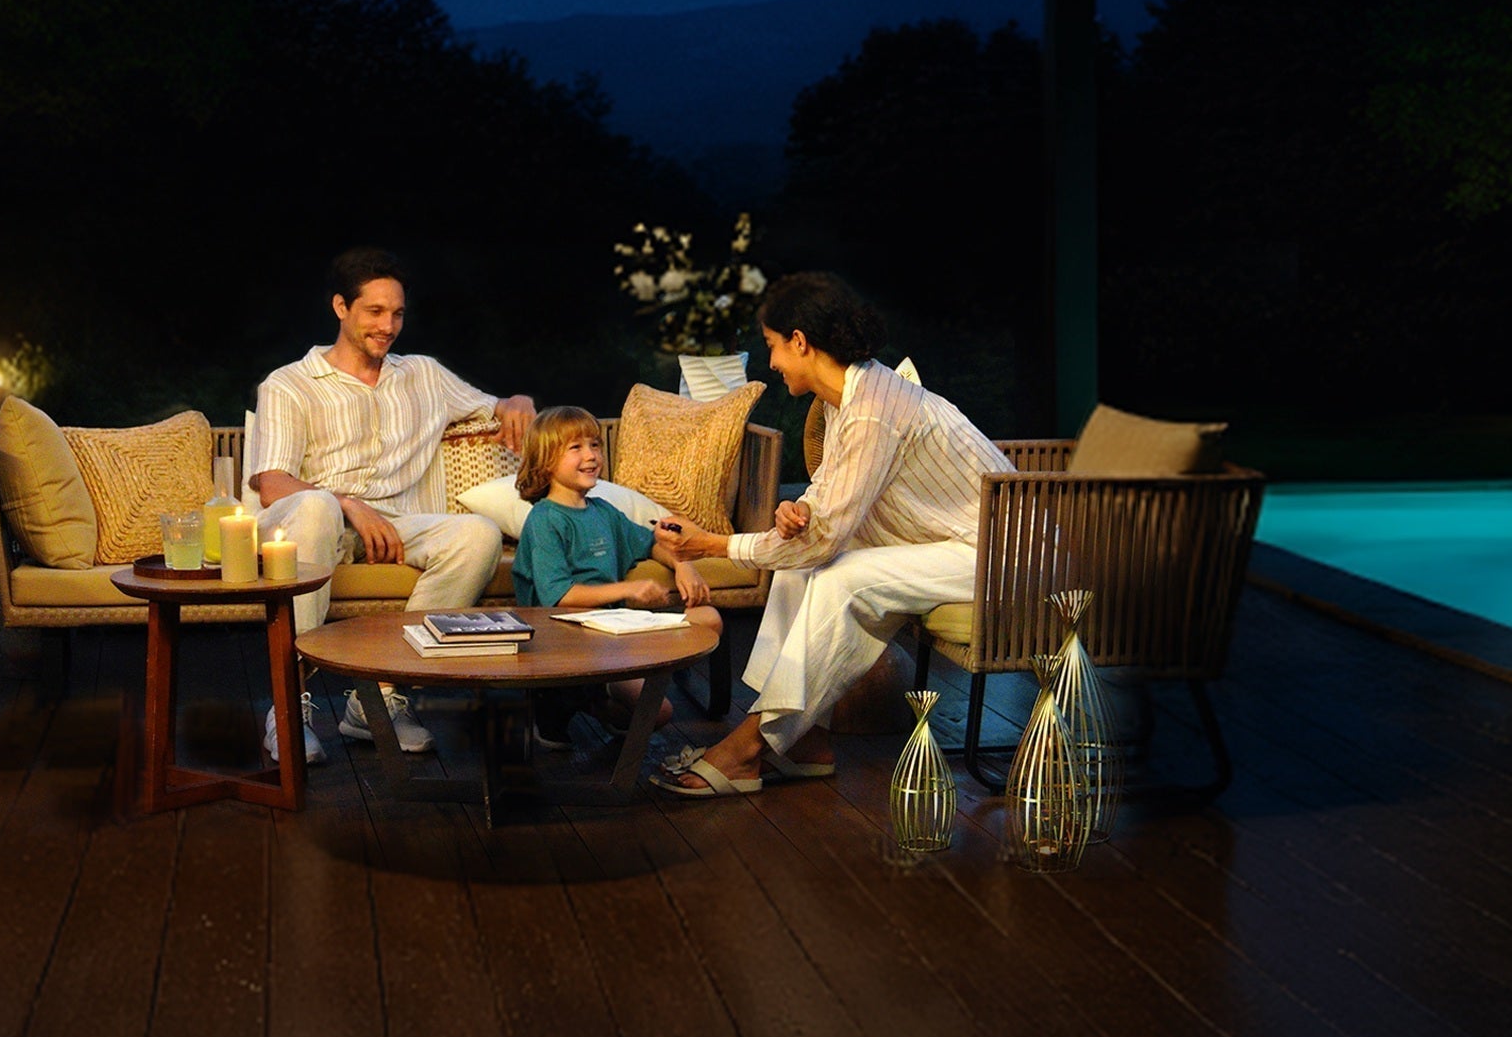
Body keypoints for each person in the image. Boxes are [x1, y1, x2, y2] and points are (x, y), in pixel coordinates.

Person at [646, 270, 1001, 796]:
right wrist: (798, 509)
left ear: (800, 341)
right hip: (946, 546)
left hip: (1003, 556)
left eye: (772, 347)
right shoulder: (851, 398)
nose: (770, 363)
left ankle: (749, 748)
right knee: (805, 562)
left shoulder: (875, 410)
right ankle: (805, 740)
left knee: (843, 576)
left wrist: (716, 545)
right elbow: (828, 501)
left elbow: (830, 537)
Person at [246, 246, 532, 759]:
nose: (389, 325)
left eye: (397, 313)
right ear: (341, 308)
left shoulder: (422, 374)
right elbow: (271, 484)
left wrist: (520, 403)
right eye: (374, 311)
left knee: (478, 534)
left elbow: (495, 404)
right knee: (317, 508)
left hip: (399, 525)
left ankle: (379, 695)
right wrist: (349, 504)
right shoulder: (290, 384)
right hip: (314, 526)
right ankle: (287, 704)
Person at [510, 405, 716, 742]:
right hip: (565, 637)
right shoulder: (545, 519)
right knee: (659, 713)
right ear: (546, 461)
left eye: (594, 445)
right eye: (575, 448)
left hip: (610, 629)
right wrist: (628, 590)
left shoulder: (603, 512)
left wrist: (683, 565)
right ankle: (566, 698)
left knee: (708, 619)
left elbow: (651, 542)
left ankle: (596, 690)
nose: (590, 455)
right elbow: (560, 596)